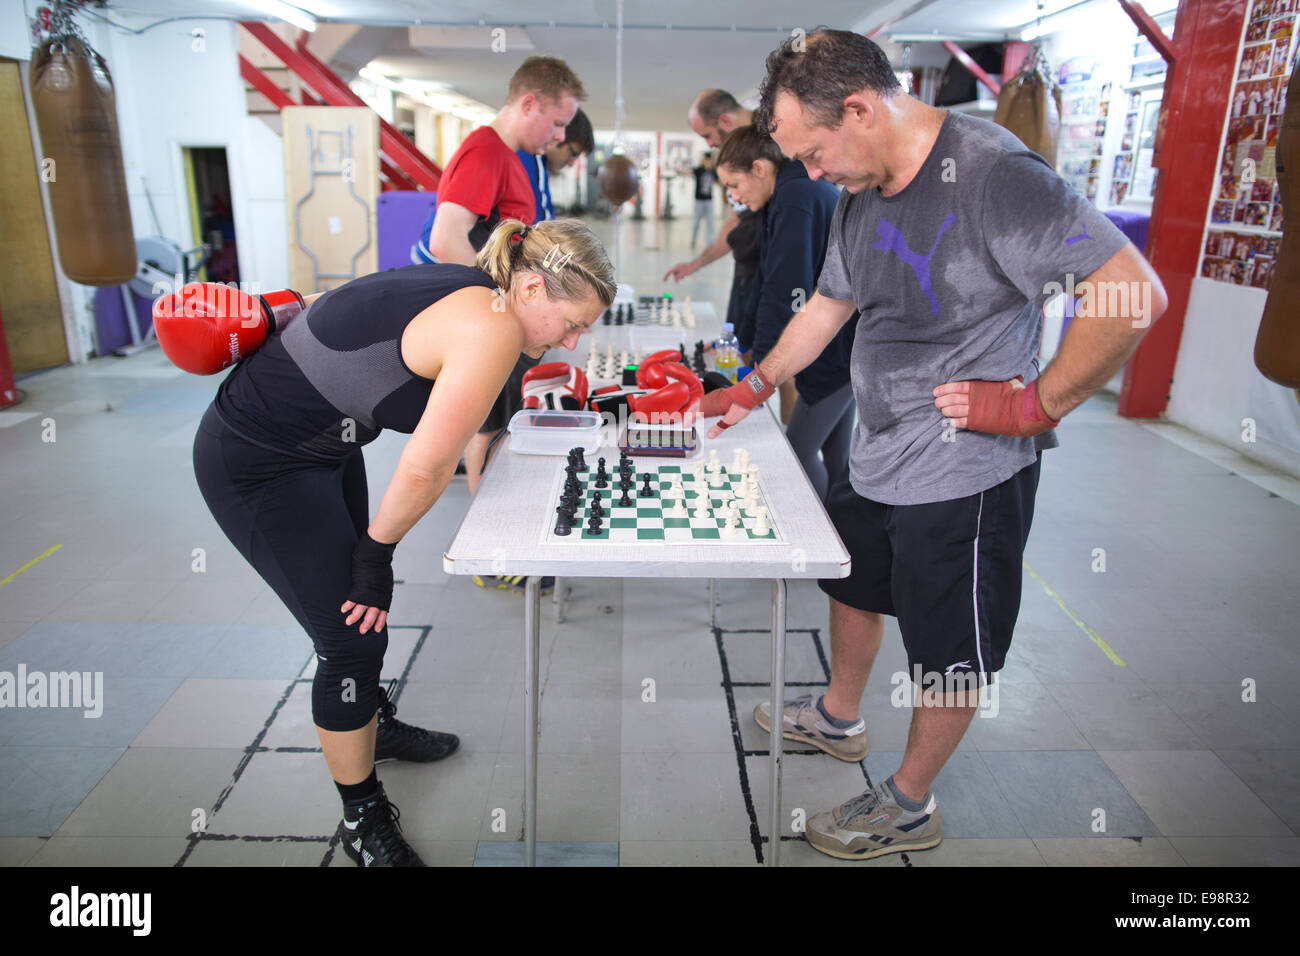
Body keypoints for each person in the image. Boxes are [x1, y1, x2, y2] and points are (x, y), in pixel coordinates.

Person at [700, 29, 1167, 860]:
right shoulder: (861, 188)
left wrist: (1034, 406)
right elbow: (827, 308)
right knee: (853, 583)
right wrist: (757, 382)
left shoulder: (995, 177)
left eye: (814, 152)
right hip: (877, 450)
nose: (810, 174)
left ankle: (909, 803)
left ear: (859, 108)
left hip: (965, 472)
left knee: (949, 646)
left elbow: (1133, 293)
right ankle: (840, 719)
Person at [192, 219, 616, 866]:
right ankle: (361, 819)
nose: (575, 342)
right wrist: (375, 555)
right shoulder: (493, 325)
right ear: (532, 287)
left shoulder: (480, 286)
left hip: (324, 447)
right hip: (256, 461)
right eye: (574, 322)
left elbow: (333, 308)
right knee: (350, 635)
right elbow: (425, 467)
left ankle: (372, 725)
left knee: (361, 624)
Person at [714, 125, 855, 503]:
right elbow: (763, 275)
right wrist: (746, 342)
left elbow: (786, 288)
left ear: (759, 168)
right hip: (840, 345)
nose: (734, 196)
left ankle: (823, 543)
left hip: (832, 350)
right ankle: (850, 536)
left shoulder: (796, 197)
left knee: (800, 451)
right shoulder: (786, 194)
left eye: (734, 184)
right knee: (837, 455)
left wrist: (762, 368)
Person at [518, 108, 595, 222]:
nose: (571, 163)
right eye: (573, 154)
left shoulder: (539, 164)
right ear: (559, 136)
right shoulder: (529, 158)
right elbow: (541, 230)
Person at [690, 151, 717, 248]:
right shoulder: (699, 170)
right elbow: (689, 172)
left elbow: (719, 181)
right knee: (697, 221)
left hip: (709, 200)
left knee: (710, 222)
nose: (707, 162)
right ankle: (693, 240)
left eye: (709, 161)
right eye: (706, 160)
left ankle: (709, 242)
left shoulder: (713, 171)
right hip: (699, 200)